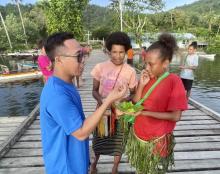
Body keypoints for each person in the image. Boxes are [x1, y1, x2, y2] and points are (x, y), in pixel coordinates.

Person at [40, 32, 127, 174]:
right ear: (59, 59)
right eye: (78, 56)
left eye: (84, 54)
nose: (83, 60)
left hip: (76, 163)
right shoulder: (56, 94)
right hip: (66, 168)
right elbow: (81, 132)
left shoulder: (66, 83)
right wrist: (109, 100)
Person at [120, 33, 188, 174]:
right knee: (141, 169)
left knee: (154, 170)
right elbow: (136, 102)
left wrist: (144, 113)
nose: (147, 67)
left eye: (151, 64)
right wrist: (141, 85)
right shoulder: (146, 77)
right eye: (145, 62)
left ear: (165, 63)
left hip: (157, 140)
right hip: (139, 134)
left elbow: (175, 116)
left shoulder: (174, 81)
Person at [90, 32, 137, 174]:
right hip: (103, 112)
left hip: (121, 113)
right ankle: (93, 166)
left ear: (126, 52)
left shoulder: (130, 71)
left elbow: (134, 93)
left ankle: (114, 168)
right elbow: (94, 90)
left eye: (121, 52)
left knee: (119, 141)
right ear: (109, 51)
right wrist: (102, 101)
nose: (117, 55)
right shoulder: (100, 67)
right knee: (99, 141)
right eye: (114, 52)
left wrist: (124, 100)